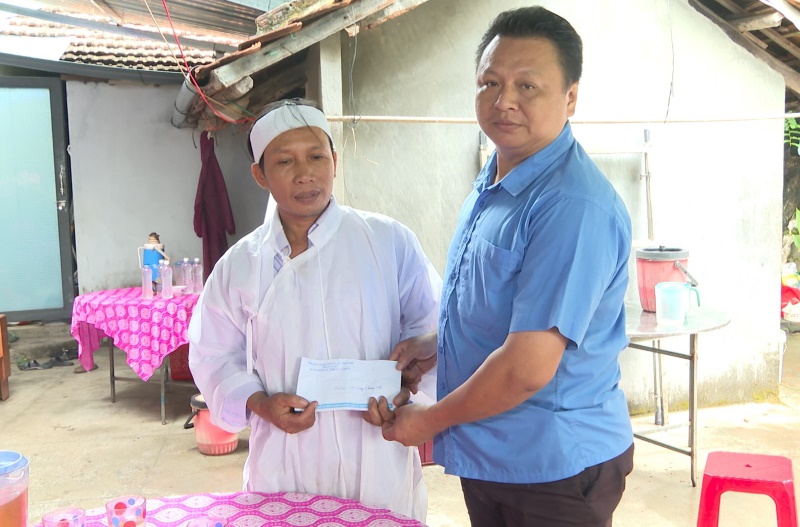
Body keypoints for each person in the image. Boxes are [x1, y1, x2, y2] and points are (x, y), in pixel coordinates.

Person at [369, 6, 635, 527]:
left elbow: (526, 368)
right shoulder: (498, 175)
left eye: (527, 86)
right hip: (494, 452)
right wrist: (437, 346)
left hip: (551, 466)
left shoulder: (570, 205)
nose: (503, 101)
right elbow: (497, 301)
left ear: (571, 97)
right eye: (489, 81)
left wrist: (430, 421)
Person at [187, 98, 438, 522]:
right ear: (260, 175)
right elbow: (212, 353)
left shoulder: (388, 242)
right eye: (285, 161)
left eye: (317, 156)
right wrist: (260, 403)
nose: (305, 173)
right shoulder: (241, 264)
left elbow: (430, 327)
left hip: (377, 451)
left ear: (335, 162)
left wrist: (408, 390)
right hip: (286, 458)